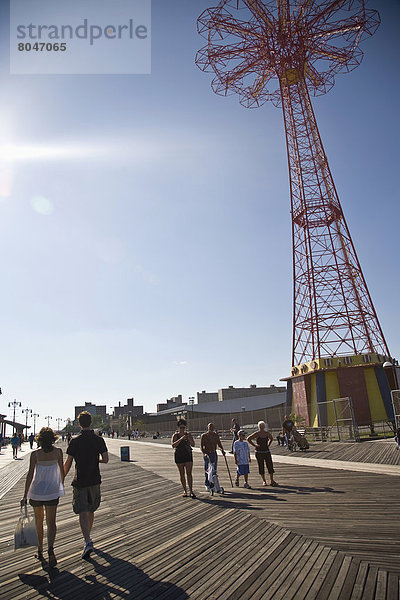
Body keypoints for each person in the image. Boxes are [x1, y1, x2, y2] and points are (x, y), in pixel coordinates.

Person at [64, 411, 109, 559]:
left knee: (82, 510)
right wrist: (96, 460)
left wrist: (61, 477)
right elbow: (106, 459)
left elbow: (69, 463)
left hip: (80, 479)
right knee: (91, 509)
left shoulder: (75, 441)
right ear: (91, 423)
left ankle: (87, 540)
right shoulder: (98, 440)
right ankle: (88, 539)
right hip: (95, 479)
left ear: (79, 424)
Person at [20, 427, 65, 567]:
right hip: (52, 491)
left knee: (39, 522)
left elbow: (29, 475)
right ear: (53, 439)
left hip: (37, 492)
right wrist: (60, 485)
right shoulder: (58, 452)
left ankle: (40, 550)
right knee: (51, 523)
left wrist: (25, 495)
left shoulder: (35, 455)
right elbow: (62, 471)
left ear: (39, 440)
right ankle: (50, 550)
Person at [247, 421, 278, 487]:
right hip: (259, 452)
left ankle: (272, 480)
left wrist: (268, 445)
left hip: (266, 451)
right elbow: (248, 439)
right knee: (261, 466)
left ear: (264, 427)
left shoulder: (267, 433)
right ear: (259, 427)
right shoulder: (257, 434)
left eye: (262, 426)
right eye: (260, 426)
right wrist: (255, 445)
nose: (261, 427)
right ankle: (264, 481)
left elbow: (271, 438)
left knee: (270, 465)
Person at [171, 419, 196, 498]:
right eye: (181, 428)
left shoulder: (188, 434)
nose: (182, 429)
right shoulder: (175, 435)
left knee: (189, 473)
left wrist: (189, 438)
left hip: (188, 454)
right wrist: (181, 439)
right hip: (179, 455)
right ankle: (185, 490)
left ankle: (191, 490)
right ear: (178, 428)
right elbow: (173, 445)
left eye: (184, 427)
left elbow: (193, 445)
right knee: (182, 474)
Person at [200, 423, 225, 492]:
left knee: (214, 470)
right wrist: (204, 453)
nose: (211, 428)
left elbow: (219, 444)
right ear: (207, 428)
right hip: (207, 454)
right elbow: (202, 447)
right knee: (207, 469)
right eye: (210, 427)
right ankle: (207, 483)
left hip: (214, 453)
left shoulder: (215, 435)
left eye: (212, 427)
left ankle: (214, 484)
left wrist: (222, 450)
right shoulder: (204, 436)